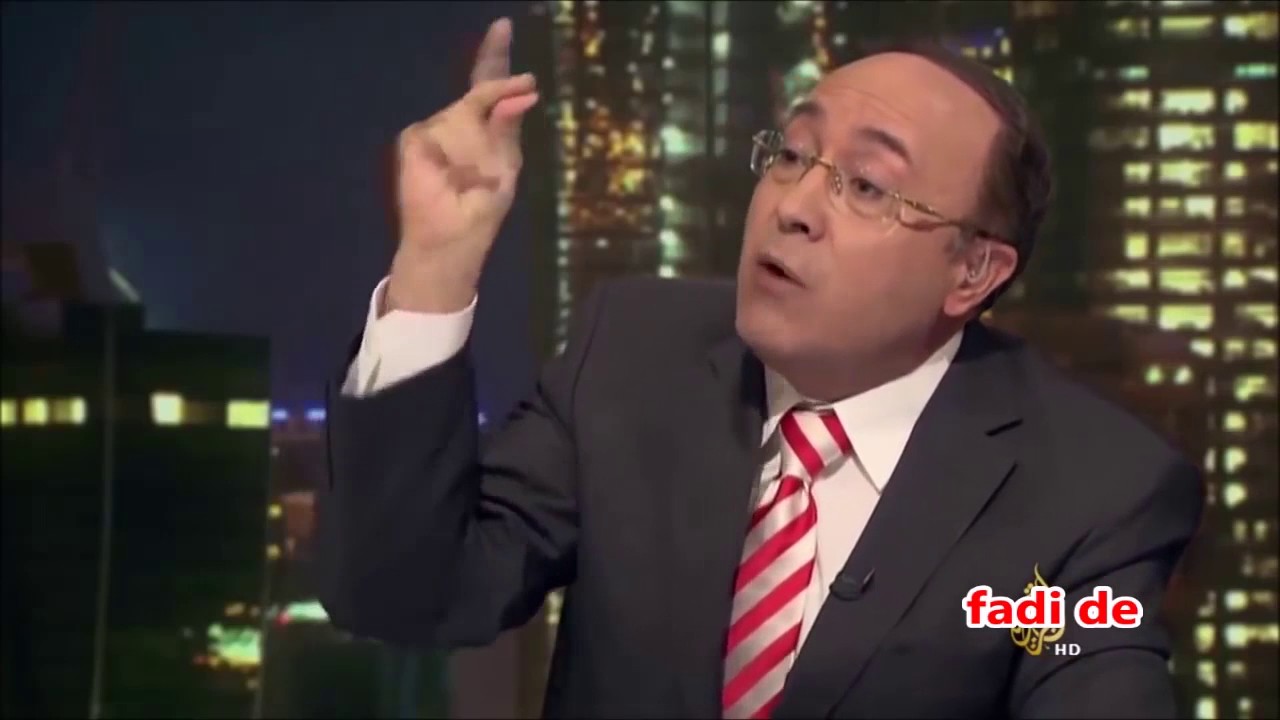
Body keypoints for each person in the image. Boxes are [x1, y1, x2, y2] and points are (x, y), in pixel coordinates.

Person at [315, 16, 1204, 719]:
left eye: (867, 186)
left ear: (973, 271)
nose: (795, 206)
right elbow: (406, 595)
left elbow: (1086, 668)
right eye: (790, 154)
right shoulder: (635, 354)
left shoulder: (1089, 492)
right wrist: (436, 262)